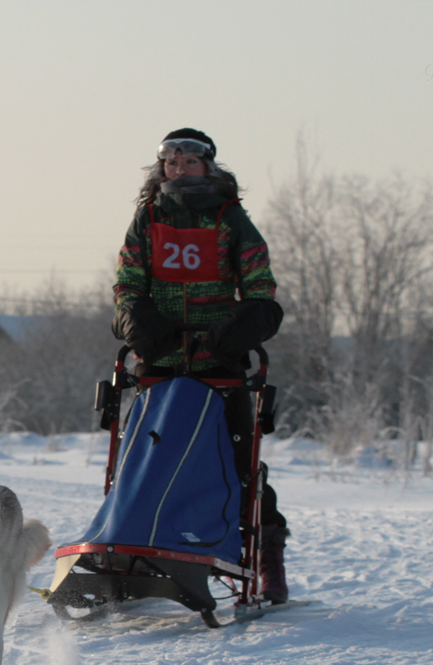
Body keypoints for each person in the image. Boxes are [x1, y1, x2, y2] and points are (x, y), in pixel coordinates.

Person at [111, 128, 290, 603]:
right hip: (160, 361)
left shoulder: (232, 220)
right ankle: (130, 552)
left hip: (219, 362)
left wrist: (237, 327)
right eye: (170, 161)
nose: (178, 168)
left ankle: (267, 555)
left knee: (237, 464)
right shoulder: (147, 219)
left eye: (189, 161)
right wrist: (137, 320)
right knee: (142, 460)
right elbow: (127, 286)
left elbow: (261, 291)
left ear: (207, 166)